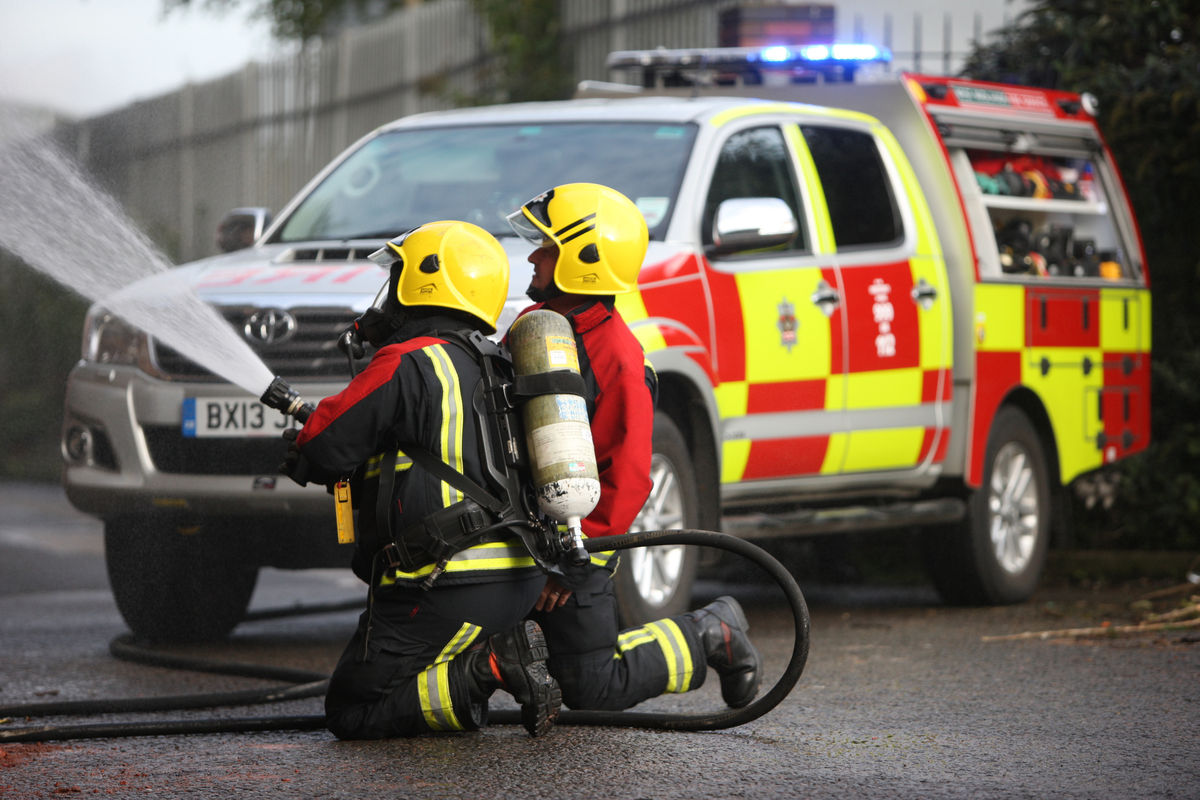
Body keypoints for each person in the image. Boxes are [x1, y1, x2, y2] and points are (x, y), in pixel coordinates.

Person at [281, 220, 560, 739]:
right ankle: (487, 665)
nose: (387, 298)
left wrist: (301, 446)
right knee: (419, 695)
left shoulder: (406, 361)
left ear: (425, 283)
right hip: (520, 578)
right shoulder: (500, 362)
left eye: (399, 278)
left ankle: (492, 666)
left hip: (446, 584)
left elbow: (323, 447)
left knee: (354, 710)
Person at [506, 182, 763, 711]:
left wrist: (577, 567)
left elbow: (628, 477)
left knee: (591, 684)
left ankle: (711, 633)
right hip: (528, 538)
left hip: (574, 550)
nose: (532, 255)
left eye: (547, 247)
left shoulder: (618, 357)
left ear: (586, 259)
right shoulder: (535, 330)